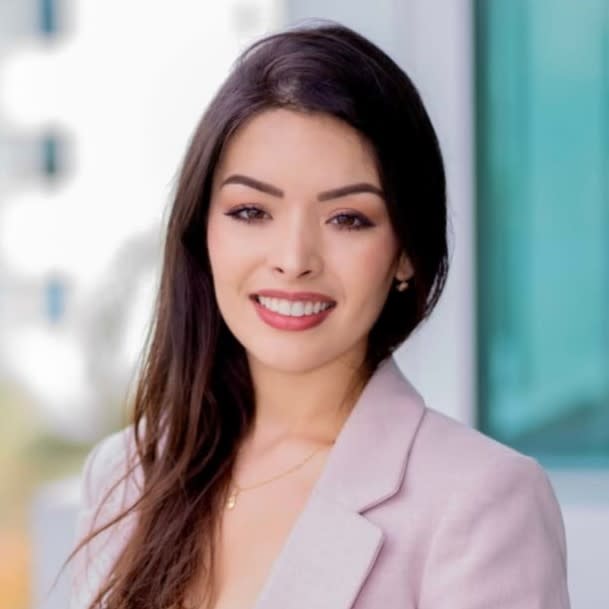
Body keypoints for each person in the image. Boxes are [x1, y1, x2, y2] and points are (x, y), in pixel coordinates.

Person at [69, 21, 571, 609]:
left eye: (347, 219)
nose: (293, 259)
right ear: (202, 229)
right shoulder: (123, 475)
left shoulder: (481, 502)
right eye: (252, 211)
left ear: (405, 252)